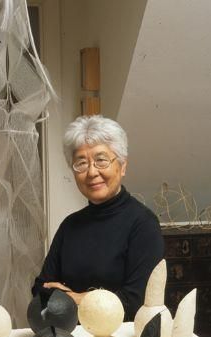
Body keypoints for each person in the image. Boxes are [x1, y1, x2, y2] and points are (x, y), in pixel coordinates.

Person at [32, 115, 164, 321]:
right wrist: (92, 299)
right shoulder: (70, 225)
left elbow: (135, 302)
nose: (92, 172)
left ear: (122, 166)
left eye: (101, 160)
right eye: (81, 163)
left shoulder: (144, 224)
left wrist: (72, 298)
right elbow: (40, 289)